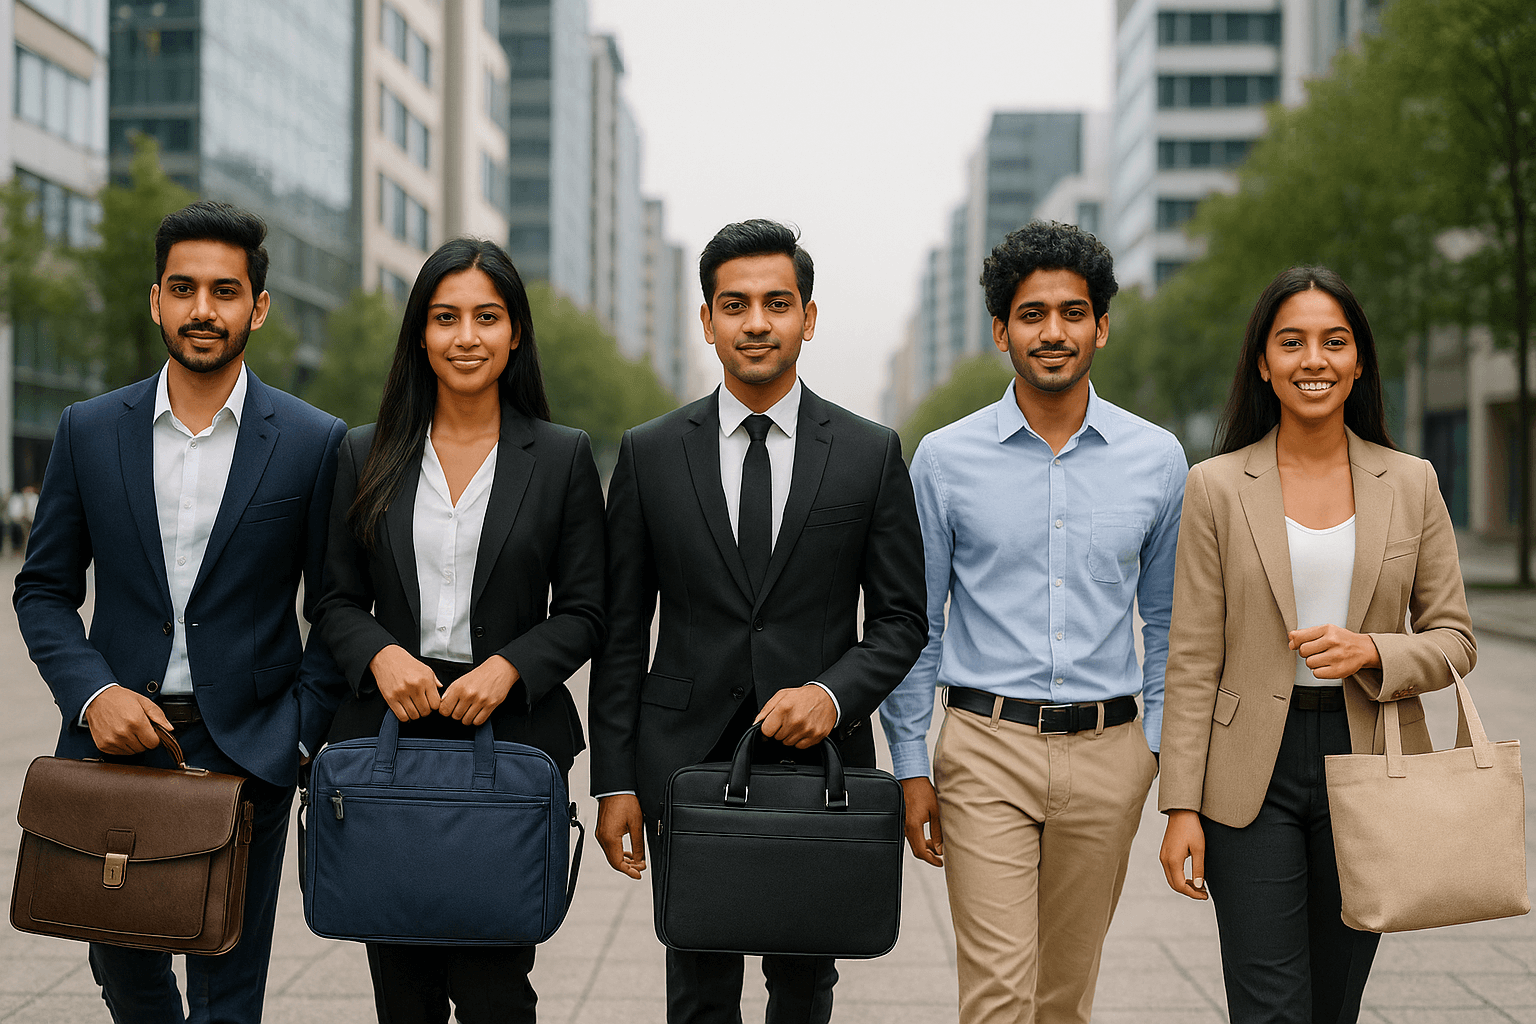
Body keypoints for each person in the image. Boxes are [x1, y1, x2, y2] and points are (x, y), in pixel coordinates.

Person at [13, 200, 348, 1023]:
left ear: (257, 308)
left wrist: (298, 735)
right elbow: (43, 589)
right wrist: (93, 696)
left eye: (225, 291)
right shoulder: (88, 430)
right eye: (184, 288)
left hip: (248, 750)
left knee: (227, 997)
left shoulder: (314, 440)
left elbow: (338, 604)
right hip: (113, 749)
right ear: (155, 299)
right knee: (122, 969)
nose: (204, 310)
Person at [589, 218, 927, 1024]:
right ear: (706, 321)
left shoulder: (870, 452)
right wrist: (613, 780)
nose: (756, 322)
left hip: (821, 761)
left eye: (777, 303)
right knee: (697, 983)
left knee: (806, 986)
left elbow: (901, 618)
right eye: (734, 305)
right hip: (681, 758)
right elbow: (622, 630)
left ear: (808, 318)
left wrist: (833, 695)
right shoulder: (649, 452)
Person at [879, 220, 1185, 1024]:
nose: (1053, 332)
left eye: (1073, 313)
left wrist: (1153, 751)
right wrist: (913, 763)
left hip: (1110, 754)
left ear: (1102, 326)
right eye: (1032, 314)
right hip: (986, 751)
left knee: (1063, 999)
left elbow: (1169, 623)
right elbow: (916, 623)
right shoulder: (944, 460)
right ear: (1000, 331)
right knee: (998, 996)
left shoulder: (1157, 459)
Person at [1157, 266, 1476, 1024]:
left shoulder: (1411, 481)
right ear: (1263, 363)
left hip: (1370, 760)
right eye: (1291, 342)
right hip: (1247, 778)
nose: (1314, 360)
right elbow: (1193, 656)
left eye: (1334, 342)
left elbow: (1455, 639)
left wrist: (1374, 651)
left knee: (1334, 1003)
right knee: (1268, 1006)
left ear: (1359, 359)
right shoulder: (1216, 486)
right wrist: (1179, 808)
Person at [314, 237, 604, 1023]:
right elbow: (333, 600)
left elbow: (585, 609)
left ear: (515, 334)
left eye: (487, 316)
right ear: (420, 333)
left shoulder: (563, 457)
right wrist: (380, 656)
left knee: (494, 988)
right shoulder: (363, 452)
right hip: (389, 738)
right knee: (401, 991)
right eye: (445, 318)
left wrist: (509, 667)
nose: (466, 336)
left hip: (510, 740)